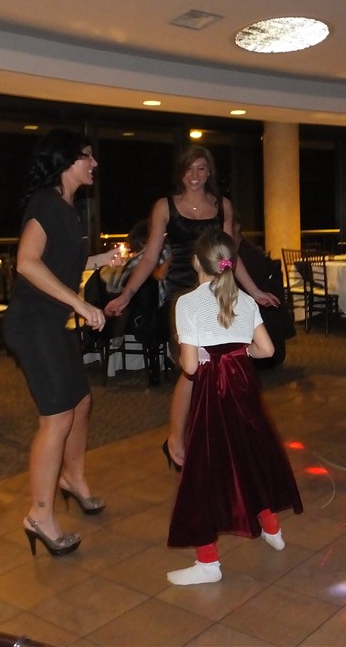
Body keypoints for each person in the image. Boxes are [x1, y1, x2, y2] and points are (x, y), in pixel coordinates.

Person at [103, 147, 281, 462]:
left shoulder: (222, 206)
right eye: (188, 169)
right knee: (189, 370)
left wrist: (253, 292)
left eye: (200, 168)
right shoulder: (164, 206)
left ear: (209, 171)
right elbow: (149, 257)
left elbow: (229, 256)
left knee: (219, 367)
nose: (194, 175)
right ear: (180, 172)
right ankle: (175, 439)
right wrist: (126, 295)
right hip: (181, 295)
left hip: (217, 291)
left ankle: (213, 435)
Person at [3, 129, 121, 557]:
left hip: (51, 324)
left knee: (81, 404)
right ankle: (39, 514)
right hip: (33, 323)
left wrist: (99, 260)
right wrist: (80, 303)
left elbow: (60, 262)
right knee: (56, 417)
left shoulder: (67, 208)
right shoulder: (45, 203)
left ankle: (73, 478)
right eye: (86, 156)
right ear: (64, 161)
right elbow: (27, 263)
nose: (94, 163)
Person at [164, 228, 303, 585]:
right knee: (249, 455)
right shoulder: (246, 301)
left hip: (213, 394)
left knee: (205, 471)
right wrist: (241, 355)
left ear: (197, 262)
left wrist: (200, 354)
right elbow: (267, 350)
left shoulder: (188, 303)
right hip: (244, 389)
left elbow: (190, 366)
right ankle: (271, 526)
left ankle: (208, 562)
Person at [232, 214, 293, 368]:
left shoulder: (249, 255)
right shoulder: (241, 250)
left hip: (261, 312)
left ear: (237, 227)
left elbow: (245, 290)